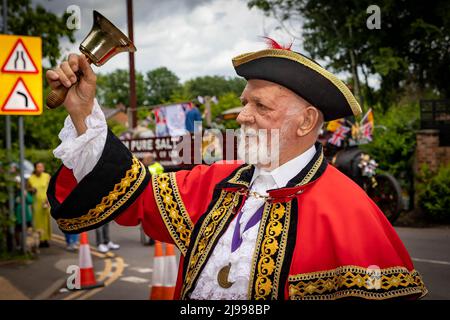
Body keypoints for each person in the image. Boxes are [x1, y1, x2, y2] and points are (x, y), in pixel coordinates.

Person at [46, 40, 427, 300]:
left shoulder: (352, 211)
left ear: (306, 121)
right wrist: (83, 113)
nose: (242, 116)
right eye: (245, 103)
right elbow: (133, 194)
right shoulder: (213, 182)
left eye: (260, 106)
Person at [28, 162, 51, 248]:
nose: (40, 168)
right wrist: (31, 189)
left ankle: (46, 239)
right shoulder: (31, 178)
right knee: (37, 221)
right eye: (38, 167)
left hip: (45, 202)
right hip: (36, 203)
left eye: (42, 167)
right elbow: (28, 188)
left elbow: (51, 188)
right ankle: (39, 240)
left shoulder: (47, 176)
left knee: (46, 221)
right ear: (35, 168)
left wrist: (49, 199)